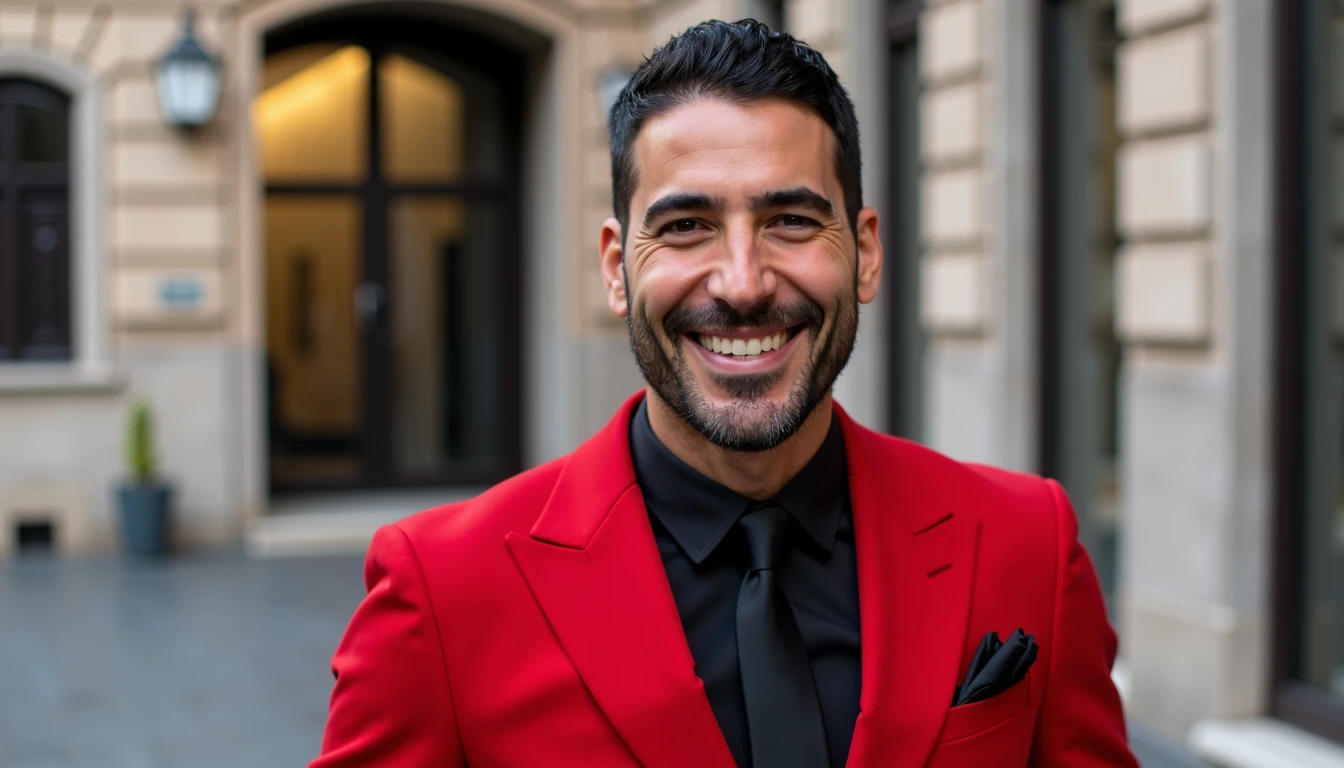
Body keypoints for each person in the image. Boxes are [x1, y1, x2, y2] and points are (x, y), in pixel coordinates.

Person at [310, 19, 1138, 768]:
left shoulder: (1029, 546)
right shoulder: (444, 594)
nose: (742, 284)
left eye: (790, 221)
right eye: (685, 227)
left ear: (867, 252)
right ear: (614, 267)